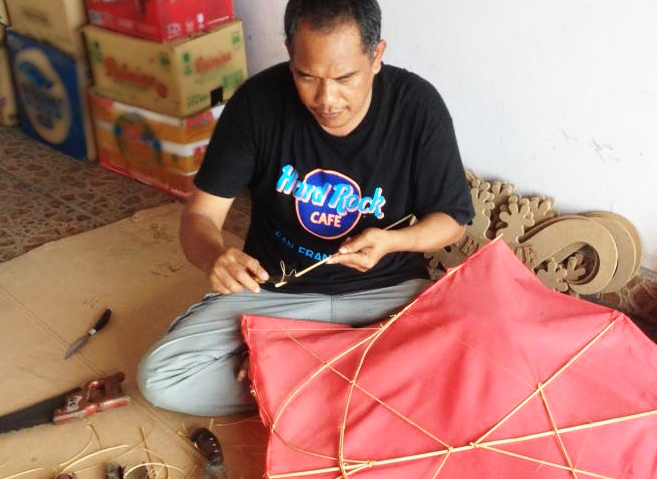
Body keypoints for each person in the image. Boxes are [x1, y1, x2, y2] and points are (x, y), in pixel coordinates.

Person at [137, 0, 474, 416]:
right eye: (306, 76)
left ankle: (292, 371)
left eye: (345, 77)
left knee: (469, 360)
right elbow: (200, 217)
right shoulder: (257, 104)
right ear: (289, 54)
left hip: (386, 293)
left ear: (376, 56)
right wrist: (214, 256)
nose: (326, 98)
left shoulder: (417, 107)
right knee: (162, 377)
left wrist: (391, 242)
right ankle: (350, 377)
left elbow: (453, 221)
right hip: (277, 292)